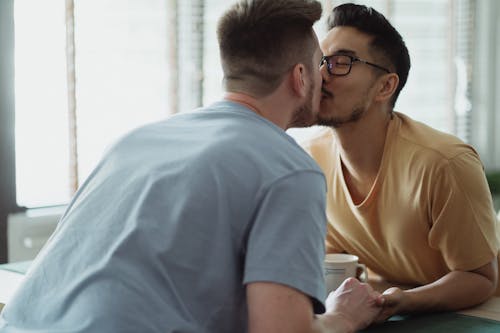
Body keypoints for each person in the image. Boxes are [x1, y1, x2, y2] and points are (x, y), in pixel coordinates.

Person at [0, 1, 384, 332]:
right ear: (300, 78)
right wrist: (342, 317)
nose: (325, 76)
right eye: (320, 65)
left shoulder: (134, 140)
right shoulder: (291, 171)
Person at [300, 2, 499, 322]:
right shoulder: (310, 160)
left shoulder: (445, 164)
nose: (321, 75)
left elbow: (480, 279)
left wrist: (403, 301)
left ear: (385, 86)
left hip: (477, 316)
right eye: (319, 61)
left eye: (340, 62)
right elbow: (330, 258)